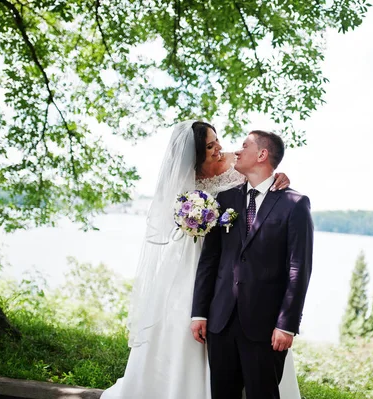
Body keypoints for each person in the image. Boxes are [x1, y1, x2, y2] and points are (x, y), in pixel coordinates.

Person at [101, 121, 298, 399]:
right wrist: (191, 220)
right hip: (192, 257)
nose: (219, 147)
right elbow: (167, 215)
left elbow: (261, 179)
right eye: (209, 145)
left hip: (233, 259)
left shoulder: (234, 163)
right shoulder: (183, 176)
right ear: (194, 155)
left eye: (217, 140)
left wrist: (281, 177)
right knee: (183, 323)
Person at [191, 130, 314, 399]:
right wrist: (199, 312)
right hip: (220, 322)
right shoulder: (224, 200)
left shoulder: (294, 204)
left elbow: (298, 269)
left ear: (262, 154)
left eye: (244, 146)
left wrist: (287, 325)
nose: (237, 151)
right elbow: (210, 260)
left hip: (265, 326)